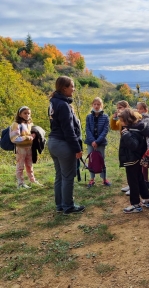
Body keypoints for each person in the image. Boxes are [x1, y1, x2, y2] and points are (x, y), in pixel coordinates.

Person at [48, 76, 85, 215]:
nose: (74, 89)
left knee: (59, 176)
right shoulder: (63, 105)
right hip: (63, 144)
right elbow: (68, 130)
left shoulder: (53, 102)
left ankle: (60, 205)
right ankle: (68, 206)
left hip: (53, 143)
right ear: (64, 88)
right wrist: (77, 149)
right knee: (68, 176)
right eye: (72, 86)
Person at [118, 108, 149, 213]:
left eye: (122, 120)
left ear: (127, 120)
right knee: (139, 179)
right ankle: (147, 199)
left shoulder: (131, 131)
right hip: (136, 159)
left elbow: (134, 145)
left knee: (132, 181)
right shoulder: (138, 127)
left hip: (131, 159)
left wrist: (126, 135)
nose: (120, 122)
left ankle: (135, 204)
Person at [110, 100, 142, 195]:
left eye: (120, 107)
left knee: (134, 169)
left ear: (126, 107)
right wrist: (114, 118)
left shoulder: (133, 114)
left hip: (133, 143)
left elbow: (138, 117)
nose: (119, 109)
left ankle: (134, 188)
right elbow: (114, 127)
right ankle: (130, 185)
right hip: (126, 143)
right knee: (128, 168)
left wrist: (127, 114)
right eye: (118, 107)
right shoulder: (122, 119)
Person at [10, 106, 41, 188]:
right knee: (20, 166)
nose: (27, 115)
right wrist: (27, 137)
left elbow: (32, 134)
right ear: (20, 114)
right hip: (20, 148)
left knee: (29, 165)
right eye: (25, 113)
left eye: (29, 113)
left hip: (29, 148)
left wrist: (34, 135)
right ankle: (21, 183)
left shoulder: (29, 124)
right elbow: (14, 139)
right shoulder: (16, 124)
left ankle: (32, 180)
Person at [85, 97, 111, 188]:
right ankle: (92, 179)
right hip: (90, 142)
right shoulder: (88, 117)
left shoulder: (105, 117)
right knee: (91, 159)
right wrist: (92, 141)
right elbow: (87, 129)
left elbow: (105, 130)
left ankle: (104, 179)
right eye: (95, 104)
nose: (96, 106)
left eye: (98, 104)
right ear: (92, 105)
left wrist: (97, 141)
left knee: (101, 159)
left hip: (101, 142)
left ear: (101, 105)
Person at [136, 102, 149, 189]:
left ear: (146, 110)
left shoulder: (147, 119)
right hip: (139, 143)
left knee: (145, 163)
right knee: (140, 163)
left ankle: (145, 181)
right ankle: (141, 181)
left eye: (141, 109)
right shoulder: (137, 118)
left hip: (147, 144)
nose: (139, 111)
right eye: (138, 109)